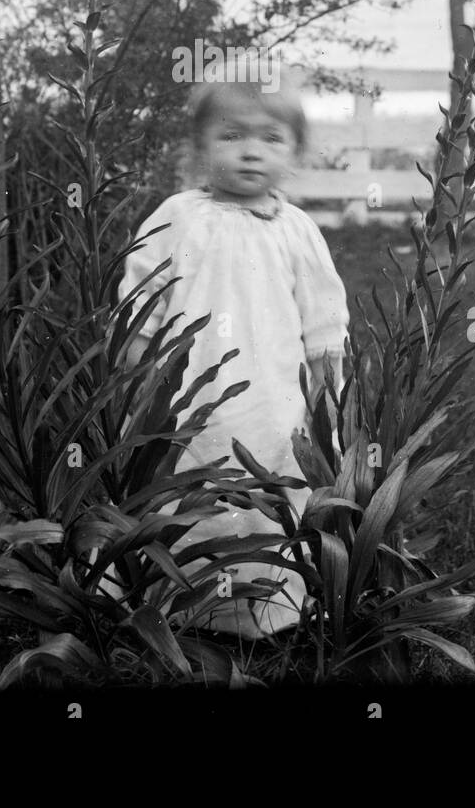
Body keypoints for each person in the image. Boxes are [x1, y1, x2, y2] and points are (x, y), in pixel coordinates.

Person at [119, 59, 349, 638]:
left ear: (294, 152)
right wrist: (134, 350)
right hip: (187, 389)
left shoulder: (296, 230)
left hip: (270, 396)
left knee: (266, 485)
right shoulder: (179, 217)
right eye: (231, 135)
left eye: (271, 138)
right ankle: (176, 597)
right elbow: (141, 286)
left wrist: (326, 381)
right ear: (201, 147)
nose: (251, 151)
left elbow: (324, 315)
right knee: (184, 477)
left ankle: (263, 608)